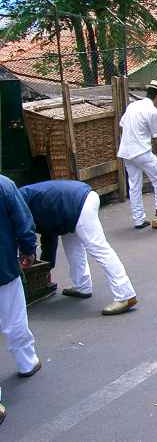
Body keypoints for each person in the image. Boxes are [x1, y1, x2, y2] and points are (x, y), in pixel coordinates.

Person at [19, 180, 137, 316]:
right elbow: (48, 232)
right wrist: (47, 265)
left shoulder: (18, 204)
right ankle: (82, 286)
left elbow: (32, 234)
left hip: (77, 203)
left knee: (99, 248)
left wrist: (44, 264)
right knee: (72, 245)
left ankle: (125, 295)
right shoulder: (20, 198)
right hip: (73, 203)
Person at [0, 175, 42, 425]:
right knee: (14, 317)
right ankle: (27, 362)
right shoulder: (3, 185)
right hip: (3, 267)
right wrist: (28, 249)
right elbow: (23, 222)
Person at [117, 80, 157, 229]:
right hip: (141, 151)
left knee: (134, 185)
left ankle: (138, 220)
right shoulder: (153, 112)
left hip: (126, 151)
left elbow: (122, 125)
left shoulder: (133, 106)